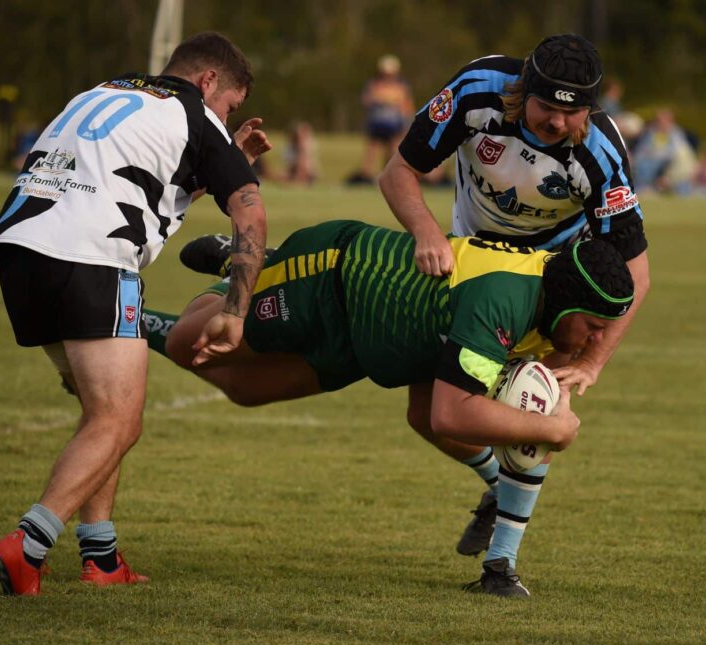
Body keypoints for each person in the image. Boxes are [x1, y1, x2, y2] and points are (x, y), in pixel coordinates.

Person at [145, 219, 635, 597]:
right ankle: (236, 270)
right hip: (329, 278)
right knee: (193, 341)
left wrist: (502, 566)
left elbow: (511, 430)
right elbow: (454, 415)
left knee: (245, 391)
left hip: (372, 340)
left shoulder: (556, 322)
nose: (597, 342)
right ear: (568, 304)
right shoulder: (505, 299)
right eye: (594, 326)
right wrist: (554, 430)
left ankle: (499, 565)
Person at [0, 32, 270, 596]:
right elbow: (251, 219)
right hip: (89, 259)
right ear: (208, 81)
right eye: (229, 104)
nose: (225, 115)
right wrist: (235, 312)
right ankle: (28, 546)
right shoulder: (196, 114)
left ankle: (102, 556)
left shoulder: (103, 90)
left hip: (19, 251)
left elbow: (142, 172)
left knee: (99, 411)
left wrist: (223, 154)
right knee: (119, 419)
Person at [376, 34, 649, 593]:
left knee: (536, 400)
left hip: (554, 284)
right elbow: (397, 171)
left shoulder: (599, 152)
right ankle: (498, 484)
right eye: (548, 107)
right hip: (468, 259)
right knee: (427, 413)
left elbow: (636, 272)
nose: (557, 123)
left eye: (572, 113)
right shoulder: (477, 92)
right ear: (524, 89)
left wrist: (592, 361)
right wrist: (427, 232)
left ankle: (500, 567)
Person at [351, 54, 414, 183]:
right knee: (372, 152)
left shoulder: (401, 87)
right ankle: (365, 178)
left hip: (394, 125)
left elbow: (407, 106)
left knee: (392, 152)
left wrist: (406, 122)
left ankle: (389, 178)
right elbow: (366, 101)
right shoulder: (374, 84)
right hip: (377, 124)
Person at [631, 108, 697, 194]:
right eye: (658, 120)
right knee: (643, 164)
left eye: (663, 120)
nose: (660, 123)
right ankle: (645, 188)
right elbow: (641, 151)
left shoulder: (675, 133)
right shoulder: (651, 133)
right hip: (651, 163)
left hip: (670, 165)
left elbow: (677, 152)